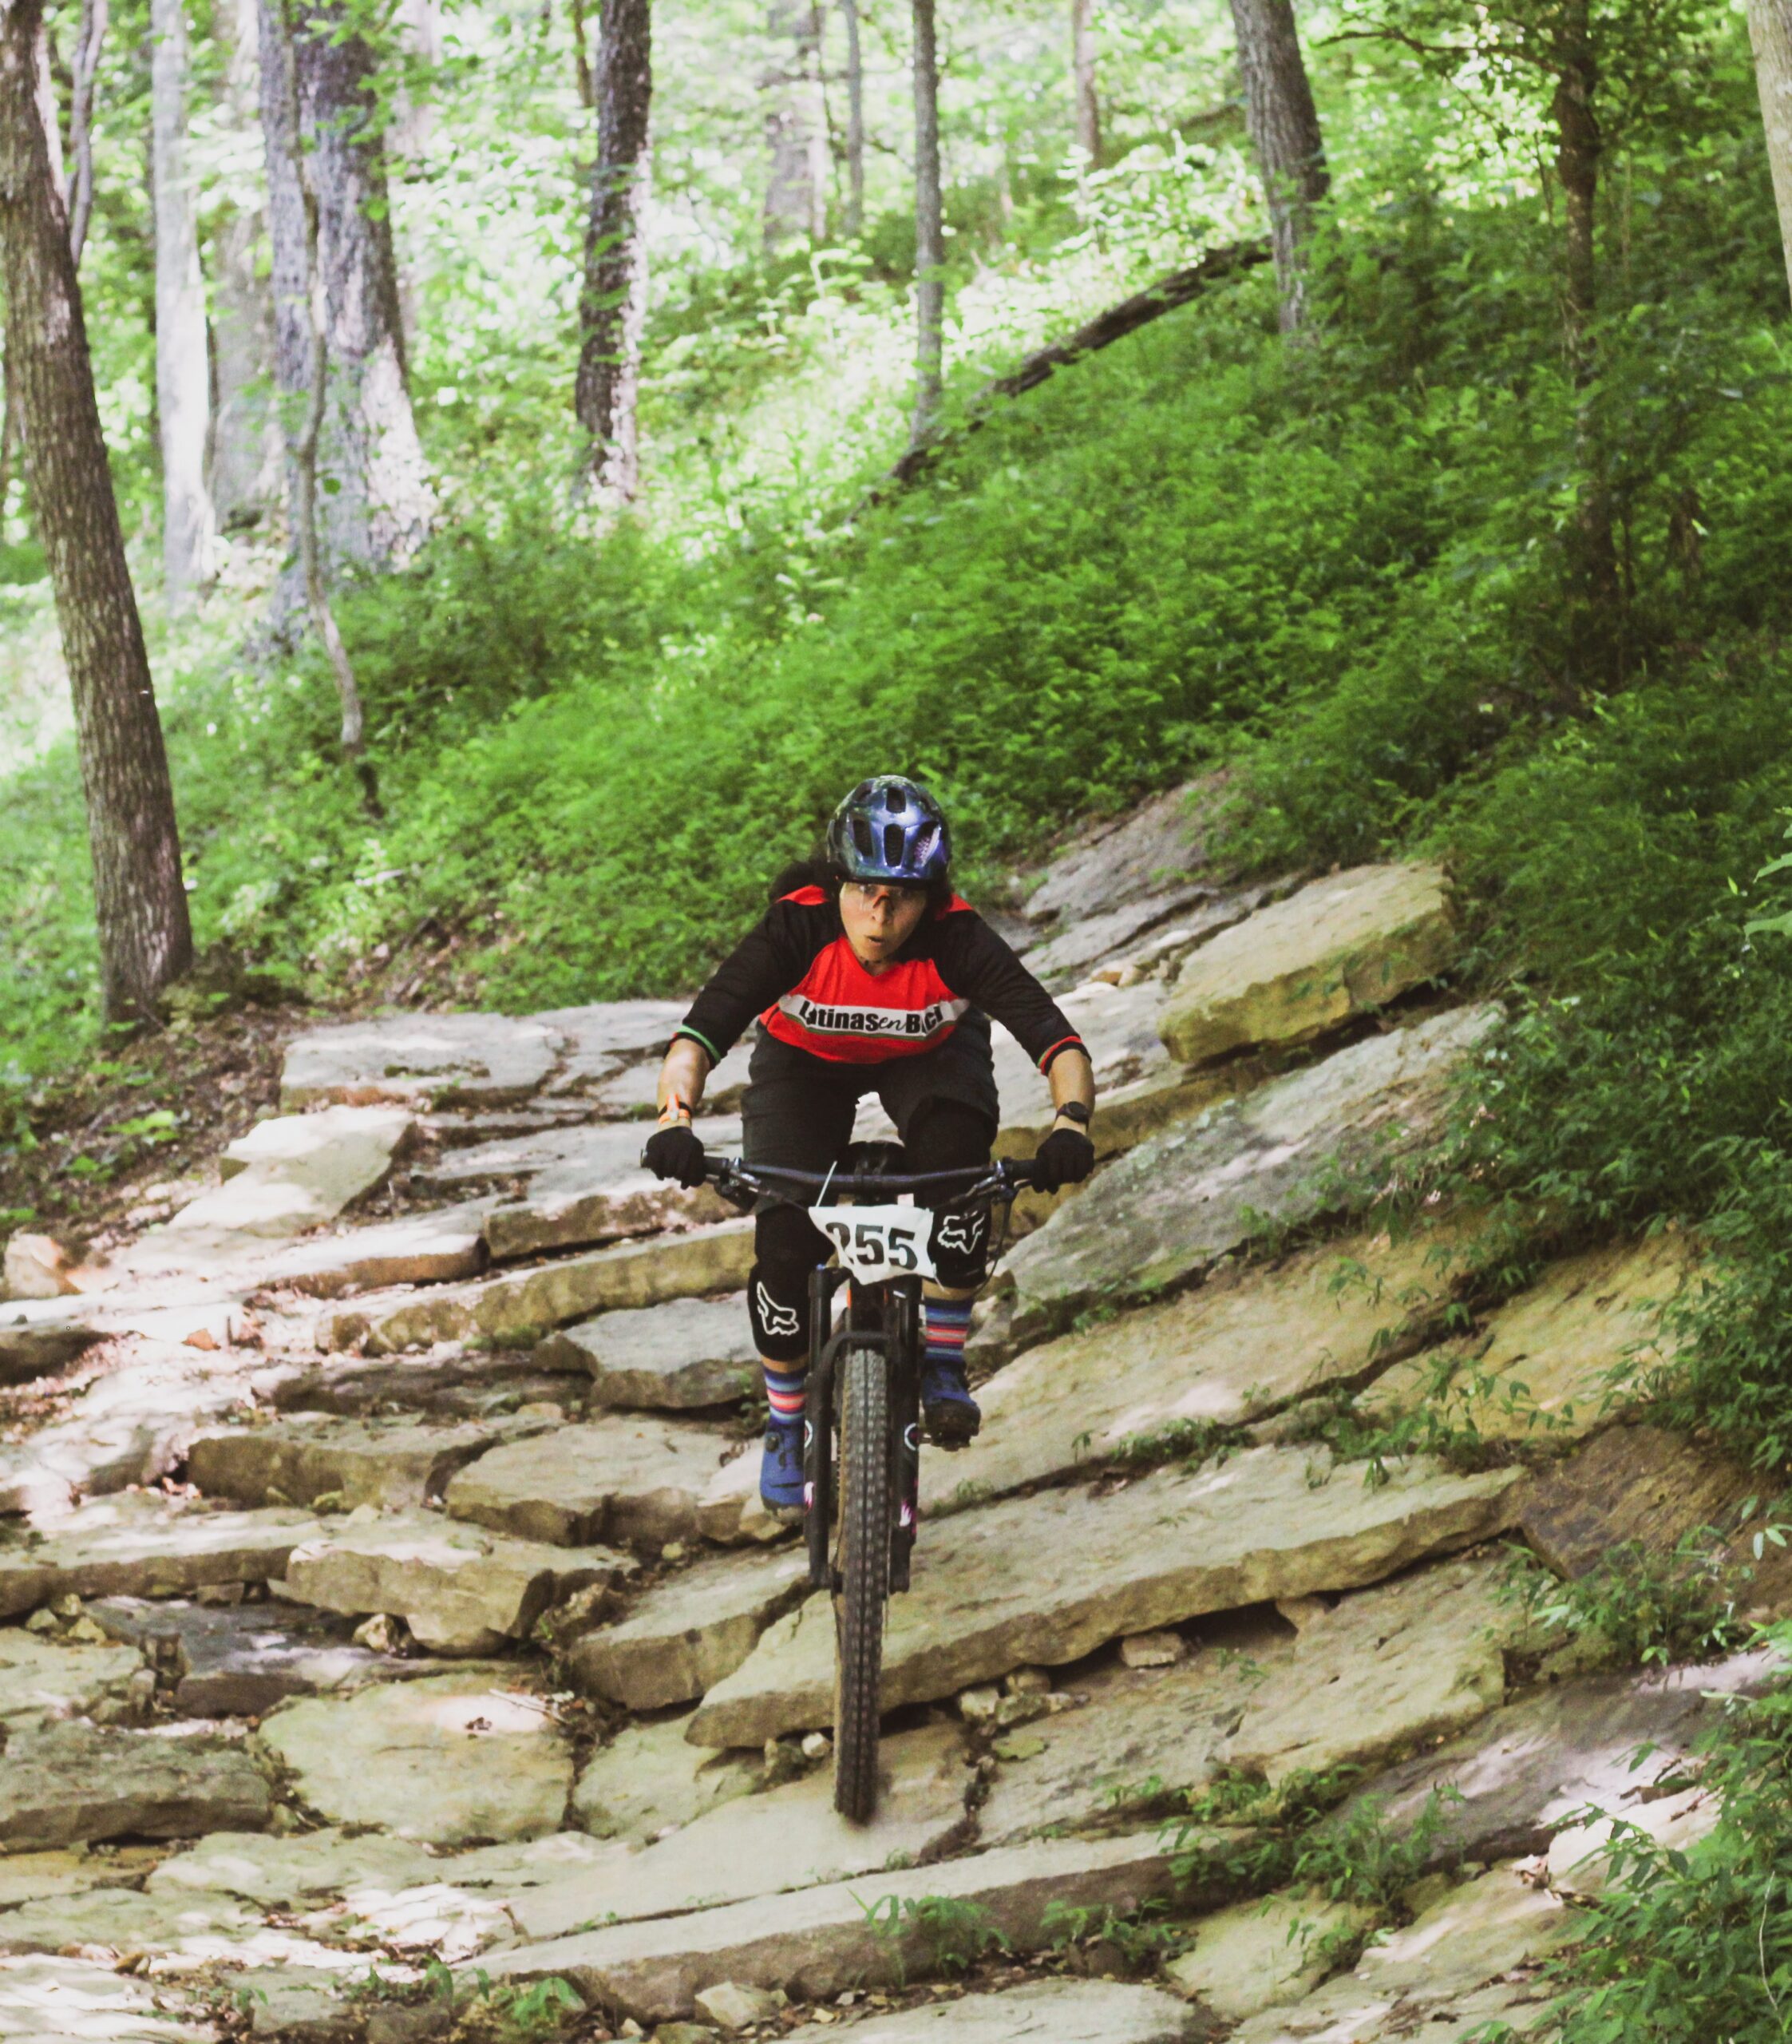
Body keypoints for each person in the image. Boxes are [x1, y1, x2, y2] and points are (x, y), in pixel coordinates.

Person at [642, 774, 1097, 1518]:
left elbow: (1057, 1039)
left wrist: (1071, 1124)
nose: (880, 915)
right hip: (804, 1065)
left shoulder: (957, 937)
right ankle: (787, 1422)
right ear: (837, 884)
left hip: (929, 1055)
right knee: (784, 1241)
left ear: (930, 896)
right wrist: (674, 1119)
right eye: (864, 891)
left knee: (957, 1174)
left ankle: (943, 1357)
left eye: (902, 896)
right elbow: (699, 1035)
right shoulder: (796, 929)